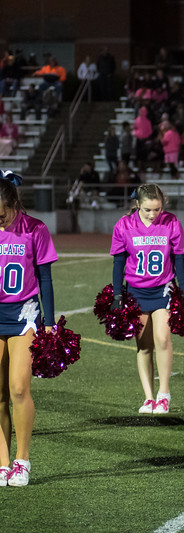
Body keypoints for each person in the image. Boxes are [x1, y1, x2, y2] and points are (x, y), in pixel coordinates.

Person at [110, 184, 184, 415]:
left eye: (157, 209)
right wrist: (117, 294)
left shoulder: (171, 222)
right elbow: (118, 263)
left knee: (163, 339)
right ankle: (148, 397)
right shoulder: (124, 225)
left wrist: (183, 290)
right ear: (137, 205)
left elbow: (179, 258)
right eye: (147, 210)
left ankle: (164, 394)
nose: (153, 214)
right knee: (144, 346)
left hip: (163, 289)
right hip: (136, 290)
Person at [0, 170, 58, 487]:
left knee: (19, 388)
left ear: (14, 204)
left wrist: (49, 321)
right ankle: (2, 462)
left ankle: (21, 461)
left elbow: (45, 278)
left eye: (1, 215)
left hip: (23, 314)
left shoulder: (35, 230)